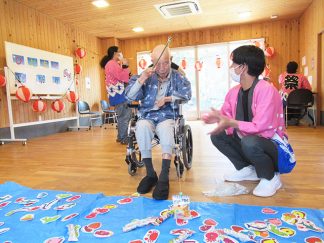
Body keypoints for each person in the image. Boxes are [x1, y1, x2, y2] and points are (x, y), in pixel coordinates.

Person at [202, 45, 295, 197]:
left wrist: (231, 122)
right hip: (250, 142)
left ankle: (271, 177)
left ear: (243, 67)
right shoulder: (234, 92)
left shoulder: (267, 90)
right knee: (218, 136)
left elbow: (261, 127)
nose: (231, 67)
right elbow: (227, 115)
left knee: (250, 141)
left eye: (233, 64)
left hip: (273, 147)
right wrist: (217, 117)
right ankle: (247, 169)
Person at [125, 44, 191, 200]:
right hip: (147, 115)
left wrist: (168, 99)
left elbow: (187, 95)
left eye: (166, 62)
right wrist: (142, 79)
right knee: (141, 127)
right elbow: (129, 96)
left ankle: (163, 176)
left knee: (167, 129)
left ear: (171, 60)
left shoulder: (178, 76)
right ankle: (150, 173)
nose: (162, 67)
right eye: (158, 63)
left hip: (167, 115)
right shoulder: (145, 76)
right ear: (152, 61)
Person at [100, 46, 131, 144]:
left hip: (116, 95)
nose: (121, 54)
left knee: (122, 117)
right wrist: (125, 66)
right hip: (119, 95)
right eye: (119, 52)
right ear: (115, 54)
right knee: (125, 117)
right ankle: (124, 138)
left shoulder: (111, 64)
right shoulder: (112, 64)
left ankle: (120, 136)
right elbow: (123, 77)